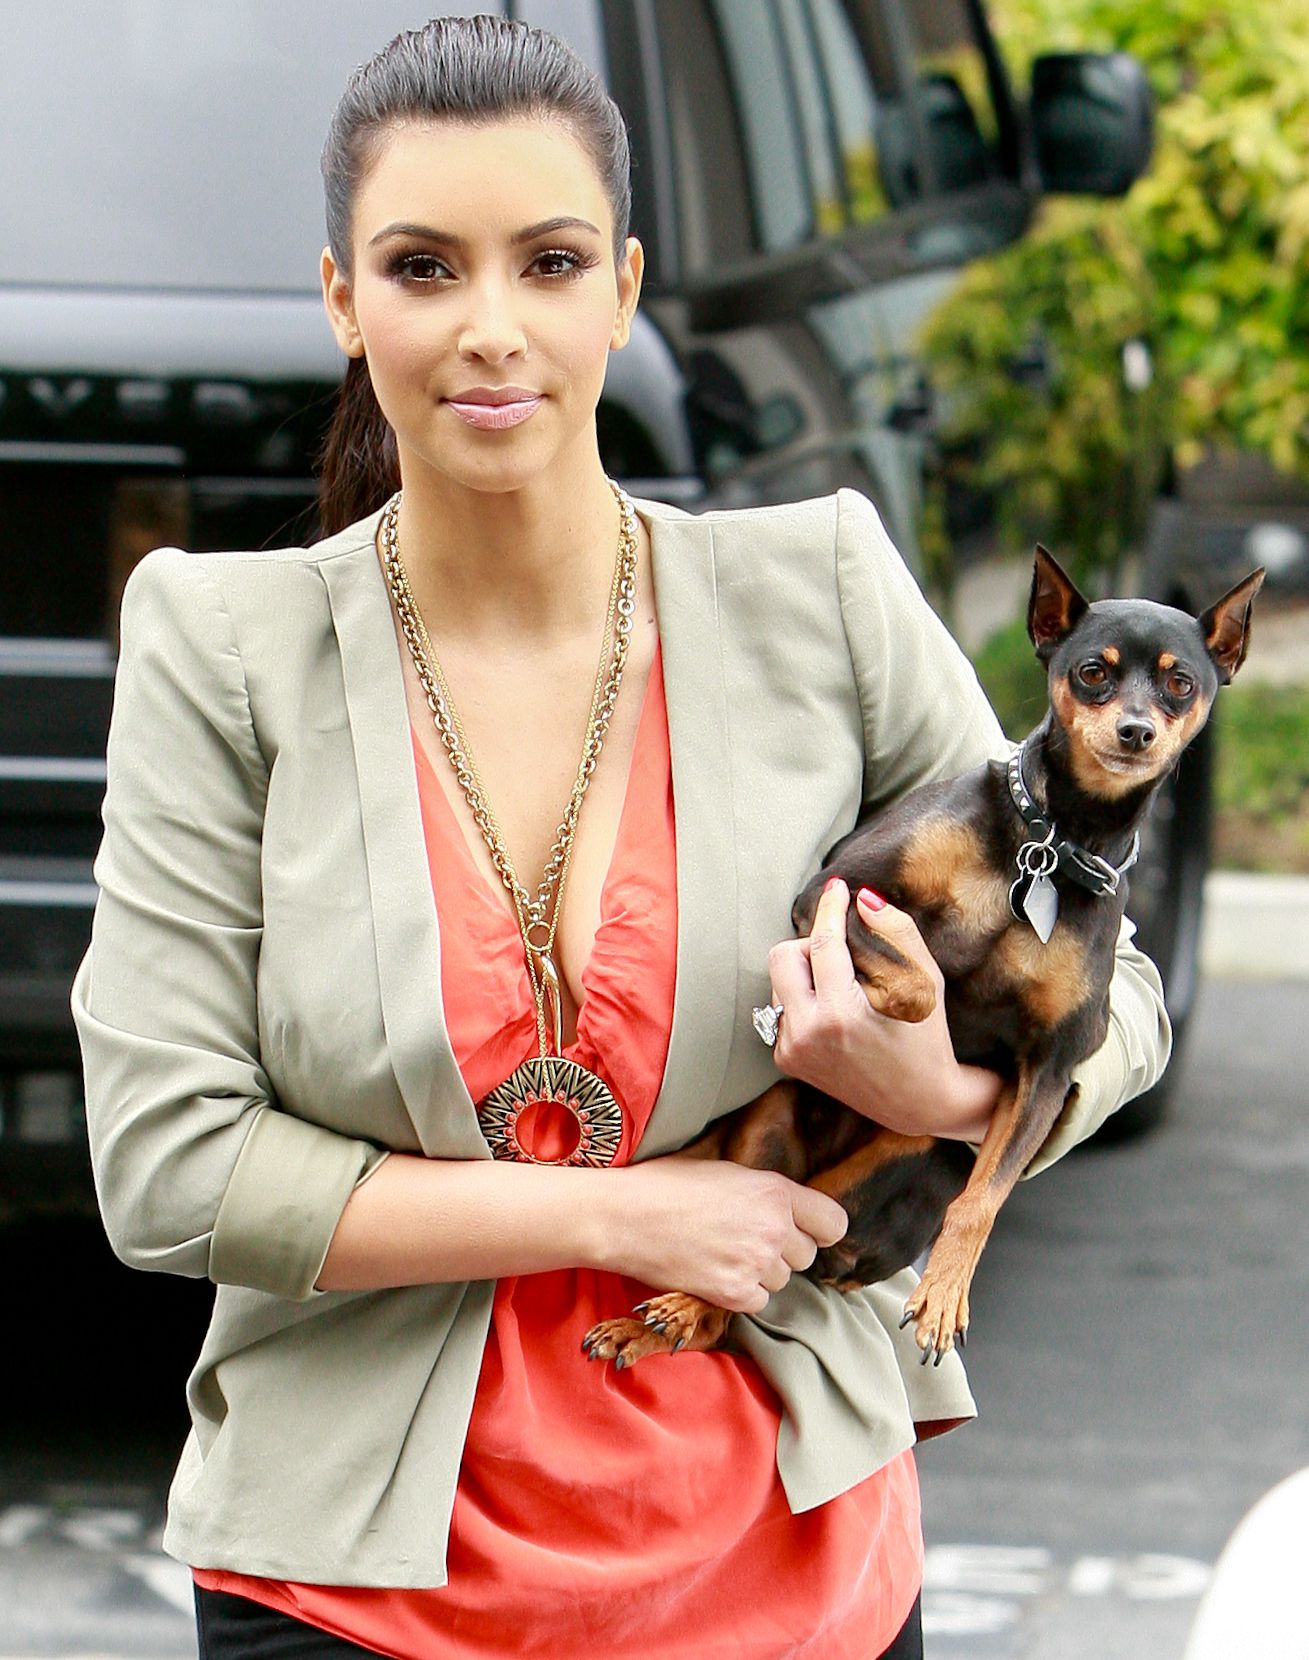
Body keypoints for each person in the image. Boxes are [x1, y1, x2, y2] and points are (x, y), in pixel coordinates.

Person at [71, 15, 1171, 1659]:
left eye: (550, 260)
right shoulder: (223, 646)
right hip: (356, 1591)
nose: (490, 329)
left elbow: (1120, 1000)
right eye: (424, 268)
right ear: (340, 299)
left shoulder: (817, 593)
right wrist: (618, 1214)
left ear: (627, 284)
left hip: (790, 1568)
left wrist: (938, 1095)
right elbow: (164, 1163)